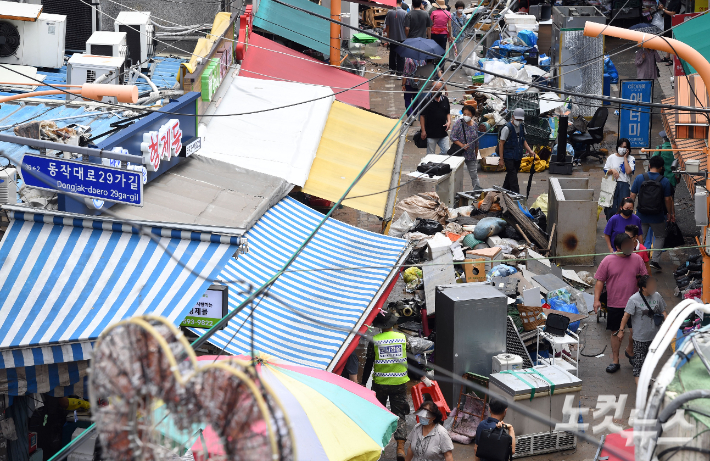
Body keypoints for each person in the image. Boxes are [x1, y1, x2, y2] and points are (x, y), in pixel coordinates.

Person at [594, 233, 648, 373]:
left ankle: (629, 350)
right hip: (615, 303)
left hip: (635, 303)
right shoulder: (607, 261)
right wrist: (596, 300)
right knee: (615, 332)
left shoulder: (637, 259)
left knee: (636, 331)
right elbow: (600, 281)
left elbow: (644, 277)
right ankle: (615, 361)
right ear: (617, 247)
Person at [362, 311, 410, 461]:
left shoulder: (375, 340)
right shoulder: (402, 338)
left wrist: (363, 383)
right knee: (400, 414)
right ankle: (400, 448)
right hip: (399, 383)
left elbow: (369, 363)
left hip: (380, 384)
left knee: (379, 413)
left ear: (380, 326)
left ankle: (378, 447)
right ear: (393, 324)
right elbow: (412, 359)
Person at [618, 275, 667, 383]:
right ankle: (641, 390)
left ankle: (646, 379)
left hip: (655, 337)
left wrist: (667, 325)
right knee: (639, 365)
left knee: (649, 362)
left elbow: (662, 311)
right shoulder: (634, 299)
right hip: (640, 338)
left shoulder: (657, 296)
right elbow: (626, 316)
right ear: (643, 288)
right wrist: (621, 330)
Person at [629, 155, 674, 271]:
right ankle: (655, 260)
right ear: (661, 168)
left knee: (639, 237)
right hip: (658, 216)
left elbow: (632, 195)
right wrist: (670, 213)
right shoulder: (664, 181)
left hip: (641, 215)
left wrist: (630, 211)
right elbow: (668, 199)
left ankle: (636, 259)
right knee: (659, 236)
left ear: (649, 165)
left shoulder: (640, 178)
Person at [499, 107, 535, 194]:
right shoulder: (507, 128)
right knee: (513, 177)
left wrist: (530, 151)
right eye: (517, 119)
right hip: (508, 156)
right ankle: (517, 197)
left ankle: (504, 189)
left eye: (520, 119)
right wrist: (501, 159)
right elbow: (501, 144)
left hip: (518, 156)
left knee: (511, 174)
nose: (518, 121)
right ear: (513, 117)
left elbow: (523, 140)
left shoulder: (522, 127)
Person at [603, 138, 636, 221]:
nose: (622, 148)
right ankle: (610, 226)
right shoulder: (611, 157)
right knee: (610, 207)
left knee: (624, 207)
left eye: (624, 147)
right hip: (612, 184)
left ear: (628, 149)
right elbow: (606, 171)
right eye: (620, 146)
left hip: (624, 185)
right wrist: (612, 170)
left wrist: (625, 158)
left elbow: (628, 171)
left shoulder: (631, 159)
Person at [450, 105, 481, 189]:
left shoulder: (475, 125)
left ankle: (477, 191)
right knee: (457, 175)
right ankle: (456, 192)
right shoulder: (458, 123)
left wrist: (476, 153)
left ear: (472, 115)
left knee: (474, 175)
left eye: (468, 114)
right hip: (459, 153)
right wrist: (462, 145)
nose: (466, 116)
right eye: (464, 114)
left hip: (471, 155)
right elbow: (452, 137)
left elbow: (476, 141)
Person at [420, 80, 451, 155]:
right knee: (430, 155)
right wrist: (423, 131)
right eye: (436, 89)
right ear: (432, 89)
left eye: (439, 88)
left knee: (447, 152)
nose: (438, 90)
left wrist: (449, 121)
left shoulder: (445, 100)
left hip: (443, 133)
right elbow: (422, 116)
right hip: (430, 134)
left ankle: (438, 162)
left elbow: (448, 113)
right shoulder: (427, 101)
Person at [386, 0, 408, 76]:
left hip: (392, 37)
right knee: (401, 56)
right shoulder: (405, 13)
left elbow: (387, 27)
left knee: (392, 54)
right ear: (401, 3)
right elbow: (406, 27)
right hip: (402, 37)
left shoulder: (389, 13)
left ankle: (392, 71)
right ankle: (399, 73)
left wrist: (387, 37)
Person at [652, 130, 677, 196]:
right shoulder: (676, 149)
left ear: (664, 139)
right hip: (673, 179)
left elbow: (652, 161)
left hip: (660, 178)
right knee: (670, 197)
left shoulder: (660, 148)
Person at [659, 0, 681, 65]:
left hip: (672, 23)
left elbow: (672, 13)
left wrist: (662, 9)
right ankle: (667, 56)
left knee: (672, 40)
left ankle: (672, 59)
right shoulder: (671, 1)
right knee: (667, 40)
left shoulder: (677, 2)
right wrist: (664, 8)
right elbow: (669, 10)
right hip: (667, 22)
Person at [450, 1, 468, 69]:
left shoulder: (464, 16)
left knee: (460, 50)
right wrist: (450, 35)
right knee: (452, 51)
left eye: (461, 8)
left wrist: (463, 27)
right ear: (456, 8)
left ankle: (458, 63)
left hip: (461, 36)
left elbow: (466, 25)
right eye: (459, 8)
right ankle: (452, 64)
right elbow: (449, 25)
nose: (460, 9)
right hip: (453, 36)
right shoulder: (452, 15)